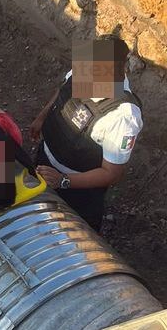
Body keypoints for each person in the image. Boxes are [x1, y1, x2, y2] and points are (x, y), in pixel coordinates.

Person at [28, 34, 143, 231]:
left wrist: (63, 181)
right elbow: (63, 91)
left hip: (77, 193)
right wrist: (42, 117)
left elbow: (112, 173)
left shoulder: (123, 115)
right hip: (45, 163)